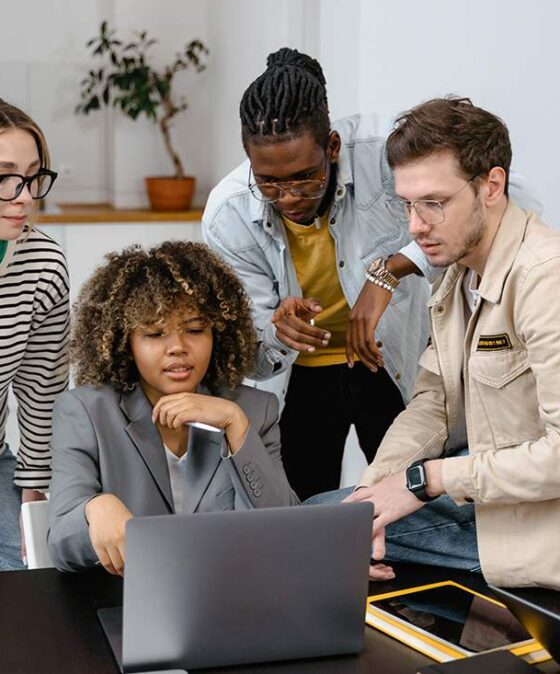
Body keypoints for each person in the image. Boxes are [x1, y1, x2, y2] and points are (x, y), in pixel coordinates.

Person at [202, 48, 539, 501]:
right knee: (303, 512)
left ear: (333, 147)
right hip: (302, 379)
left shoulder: (386, 152)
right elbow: (253, 357)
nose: (288, 197)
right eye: (269, 182)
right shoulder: (228, 216)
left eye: (305, 177)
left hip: (392, 360)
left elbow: (510, 208)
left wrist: (392, 271)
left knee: (411, 503)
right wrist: (276, 331)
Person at [329, 96, 560, 590]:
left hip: (541, 529)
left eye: (434, 203)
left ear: (492, 186)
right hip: (492, 504)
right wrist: (374, 490)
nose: (415, 226)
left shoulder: (546, 279)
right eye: (407, 205)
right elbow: (434, 403)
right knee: (336, 520)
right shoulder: (458, 272)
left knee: (317, 529)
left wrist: (426, 480)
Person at [47, 241, 298, 575]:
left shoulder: (254, 410)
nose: (178, 348)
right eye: (154, 334)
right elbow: (61, 547)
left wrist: (235, 425)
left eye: (195, 330)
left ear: (217, 333)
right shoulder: (85, 412)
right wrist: (95, 508)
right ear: (125, 343)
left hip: (231, 596)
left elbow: (287, 533)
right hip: (127, 603)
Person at [0, 100, 69, 571]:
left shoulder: (43, 262)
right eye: (4, 178)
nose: (23, 196)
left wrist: (35, 500)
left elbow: (42, 391)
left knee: (33, 579)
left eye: (31, 177)